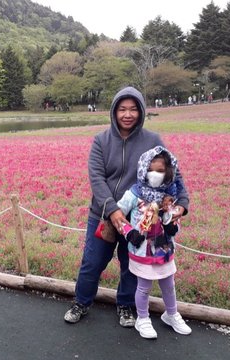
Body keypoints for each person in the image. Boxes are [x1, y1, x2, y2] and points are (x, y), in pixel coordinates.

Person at [64, 86, 189, 328]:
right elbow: (97, 179)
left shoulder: (152, 140)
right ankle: (81, 301)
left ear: (141, 112)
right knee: (92, 262)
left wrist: (182, 202)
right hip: (103, 215)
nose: (128, 114)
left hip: (139, 219)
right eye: (122, 109)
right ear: (114, 111)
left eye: (133, 109)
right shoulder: (101, 140)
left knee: (132, 265)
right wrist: (112, 210)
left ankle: (126, 305)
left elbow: (173, 173)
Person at [116, 146, 191, 339]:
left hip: (164, 249)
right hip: (142, 250)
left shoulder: (169, 195)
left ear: (168, 172)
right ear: (143, 170)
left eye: (160, 171)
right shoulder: (134, 194)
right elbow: (117, 216)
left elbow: (174, 219)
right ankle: (143, 318)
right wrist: (129, 233)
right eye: (151, 170)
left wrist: (173, 226)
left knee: (168, 283)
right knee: (144, 286)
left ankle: (171, 314)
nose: (155, 175)